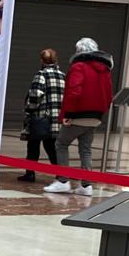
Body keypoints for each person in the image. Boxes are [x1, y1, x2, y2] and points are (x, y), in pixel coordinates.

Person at [44, 37, 113, 196]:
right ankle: (86, 185)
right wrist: (100, 112)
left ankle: (62, 181)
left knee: (61, 143)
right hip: (95, 116)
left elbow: (73, 92)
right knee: (86, 149)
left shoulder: (78, 66)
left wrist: (67, 114)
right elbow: (109, 94)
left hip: (78, 114)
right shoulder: (105, 68)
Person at [19, 48, 65, 182]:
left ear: (41, 60)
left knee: (33, 145)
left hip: (41, 118)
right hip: (56, 118)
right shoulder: (63, 75)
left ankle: (30, 173)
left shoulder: (41, 75)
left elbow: (35, 96)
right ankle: (60, 173)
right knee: (51, 146)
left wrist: (29, 109)